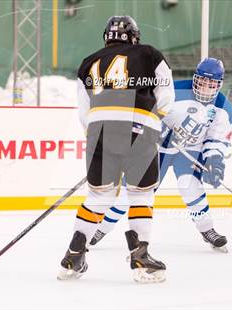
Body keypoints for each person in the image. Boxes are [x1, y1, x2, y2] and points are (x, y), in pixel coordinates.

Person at [57, 15, 174, 283]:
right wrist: (154, 123)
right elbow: (165, 96)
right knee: (141, 193)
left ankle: (74, 254)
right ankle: (140, 256)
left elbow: (84, 110)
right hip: (140, 128)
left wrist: (99, 137)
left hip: (100, 132)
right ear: (134, 35)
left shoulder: (89, 61)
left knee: (98, 197)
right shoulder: (149, 53)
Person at [90, 58, 232, 253]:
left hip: (190, 151)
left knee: (191, 186)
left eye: (212, 84)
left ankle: (207, 230)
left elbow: (217, 139)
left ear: (219, 84)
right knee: (132, 190)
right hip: (157, 149)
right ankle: (101, 228)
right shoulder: (175, 92)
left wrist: (215, 161)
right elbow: (145, 111)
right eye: (202, 81)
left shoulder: (224, 109)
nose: (206, 87)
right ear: (195, 79)